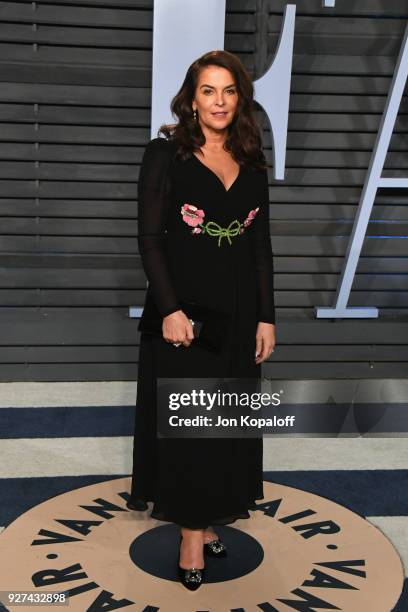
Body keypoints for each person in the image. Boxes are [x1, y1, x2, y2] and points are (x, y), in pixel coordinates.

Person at [127, 49, 276, 590]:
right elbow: (149, 239)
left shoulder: (252, 158)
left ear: (241, 98)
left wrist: (267, 317)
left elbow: (260, 246)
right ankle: (191, 533)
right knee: (191, 425)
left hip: (238, 312)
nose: (219, 101)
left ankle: (211, 513)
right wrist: (169, 309)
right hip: (185, 311)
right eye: (208, 91)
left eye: (229, 91)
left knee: (226, 422)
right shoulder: (164, 155)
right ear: (192, 98)